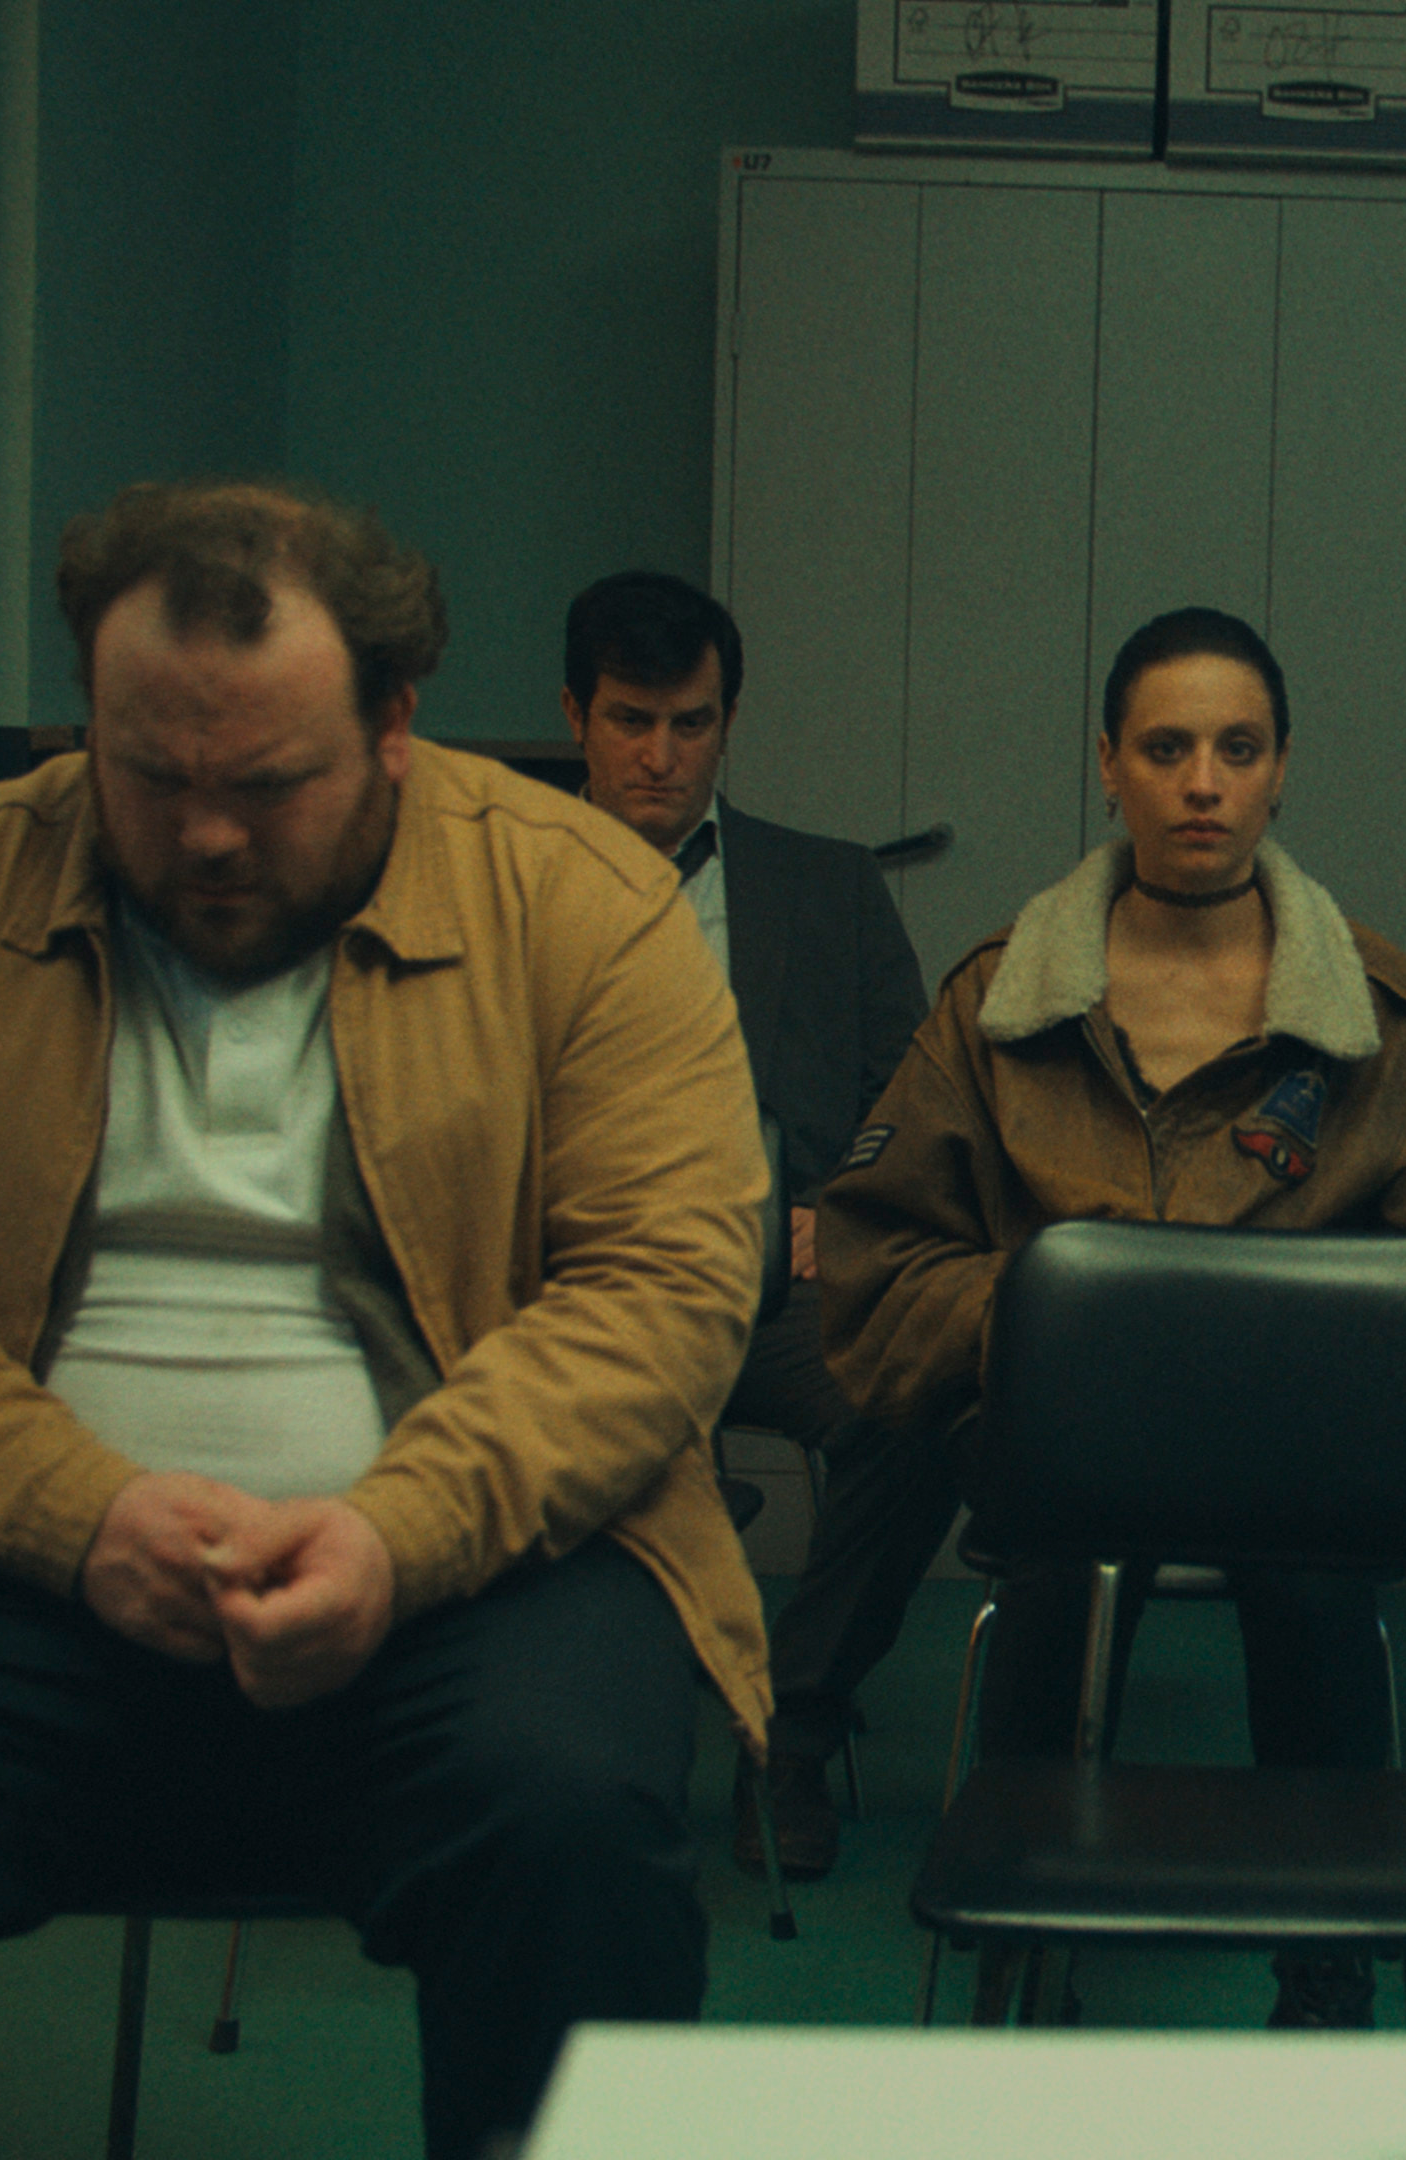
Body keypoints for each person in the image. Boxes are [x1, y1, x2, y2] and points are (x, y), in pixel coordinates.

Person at [0, 482, 770, 2160]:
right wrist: (81, 1517)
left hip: (464, 1565)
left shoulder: (584, 902)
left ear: (395, 725)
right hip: (6, 1555)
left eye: (268, 785)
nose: (208, 836)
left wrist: (397, 1533)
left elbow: (666, 1286)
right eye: (148, 776)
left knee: (573, 1824)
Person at [812, 604, 1406, 2027]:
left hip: (1301, 1459)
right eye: (1167, 748)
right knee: (1058, 1575)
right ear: (1109, 766)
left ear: (1282, 770)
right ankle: (1026, 1954)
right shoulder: (1002, 1003)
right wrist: (1055, 1330)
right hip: (1067, 1451)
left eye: (1238, 749)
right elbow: (877, 1265)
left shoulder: (1377, 1017)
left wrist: (1308, 1365)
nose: (1204, 783)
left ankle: (1330, 1977)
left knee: (1320, 1581)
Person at [560, 571, 929, 1882]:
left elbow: (918, 1097)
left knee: (924, 1398)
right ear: (576, 717)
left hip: (773, 1287)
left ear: (729, 720)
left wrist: (850, 1210)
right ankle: (572, 1752)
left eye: (692, 724)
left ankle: (792, 1730)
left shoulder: (826, 888)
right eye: (630, 721)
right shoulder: (494, 883)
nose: (662, 757)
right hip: (566, 1302)